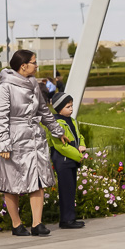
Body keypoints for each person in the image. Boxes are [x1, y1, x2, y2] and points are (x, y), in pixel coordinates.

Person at [0, 49, 64, 236]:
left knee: (37, 179)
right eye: (34, 62)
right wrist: (4, 144)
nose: (37, 65)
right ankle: (16, 224)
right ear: (23, 65)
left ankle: (37, 223)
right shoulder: (5, 88)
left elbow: (43, 111)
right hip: (14, 139)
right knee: (11, 182)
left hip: (35, 139)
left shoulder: (33, 84)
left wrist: (57, 131)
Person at [50, 93, 87, 229]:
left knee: (71, 189)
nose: (71, 109)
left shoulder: (72, 120)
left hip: (71, 161)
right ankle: (66, 219)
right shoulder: (56, 124)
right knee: (66, 190)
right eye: (67, 106)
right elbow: (61, 146)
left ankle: (70, 217)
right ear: (59, 108)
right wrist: (77, 155)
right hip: (64, 161)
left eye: (71, 106)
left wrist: (82, 144)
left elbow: (79, 135)